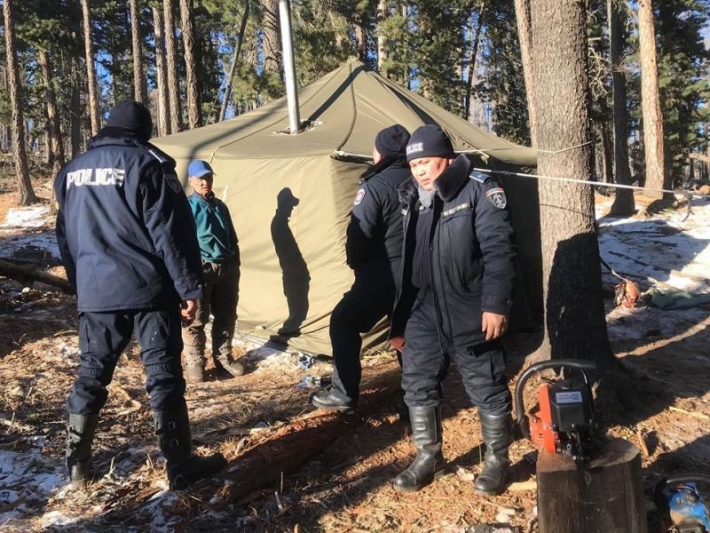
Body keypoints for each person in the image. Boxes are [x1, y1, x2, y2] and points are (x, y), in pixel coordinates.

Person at [55, 100, 226, 491]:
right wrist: (189, 288)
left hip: (96, 293)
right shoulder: (149, 164)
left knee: (91, 375)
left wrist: (79, 284)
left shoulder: (72, 171)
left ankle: (78, 467)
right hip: (148, 289)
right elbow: (172, 232)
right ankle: (180, 464)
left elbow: (64, 236)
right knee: (163, 376)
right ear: (142, 131)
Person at [389, 124, 517, 495]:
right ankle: (428, 456)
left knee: (486, 386)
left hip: (470, 308)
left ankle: (497, 459)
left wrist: (495, 304)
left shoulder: (478, 188)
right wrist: (399, 321)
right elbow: (404, 263)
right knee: (417, 384)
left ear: (446, 158)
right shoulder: (410, 196)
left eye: (426, 162)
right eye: (414, 165)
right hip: (423, 312)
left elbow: (499, 250)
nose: (420, 171)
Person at [310, 124, 411, 414]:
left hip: (381, 273)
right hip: (416, 275)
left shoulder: (375, 185)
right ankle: (414, 402)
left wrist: (356, 263)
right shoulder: (419, 180)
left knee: (343, 321)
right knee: (407, 333)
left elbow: (359, 234)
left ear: (380, 152)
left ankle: (343, 393)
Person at [182, 160, 244, 382]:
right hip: (200, 268)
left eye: (208, 177)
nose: (205, 182)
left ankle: (223, 357)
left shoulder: (220, 206)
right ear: (191, 181)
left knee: (226, 315)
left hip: (226, 267)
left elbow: (232, 236)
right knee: (196, 319)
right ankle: (195, 362)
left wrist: (235, 261)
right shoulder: (186, 207)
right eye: (200, 178)